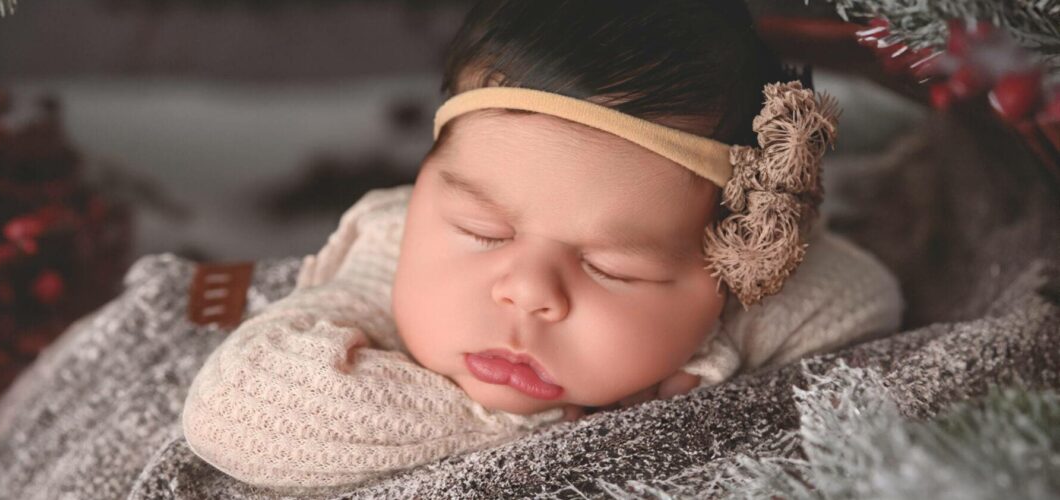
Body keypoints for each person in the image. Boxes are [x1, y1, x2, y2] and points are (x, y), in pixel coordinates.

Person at [180, 0, 904, 495]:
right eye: (482, 232)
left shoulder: (747, 295)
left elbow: (865, 300)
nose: (527, 290)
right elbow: (235, 412)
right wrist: (534, 423)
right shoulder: (392, 242)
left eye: (610, 266)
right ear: (425, 187)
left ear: (733, 268)